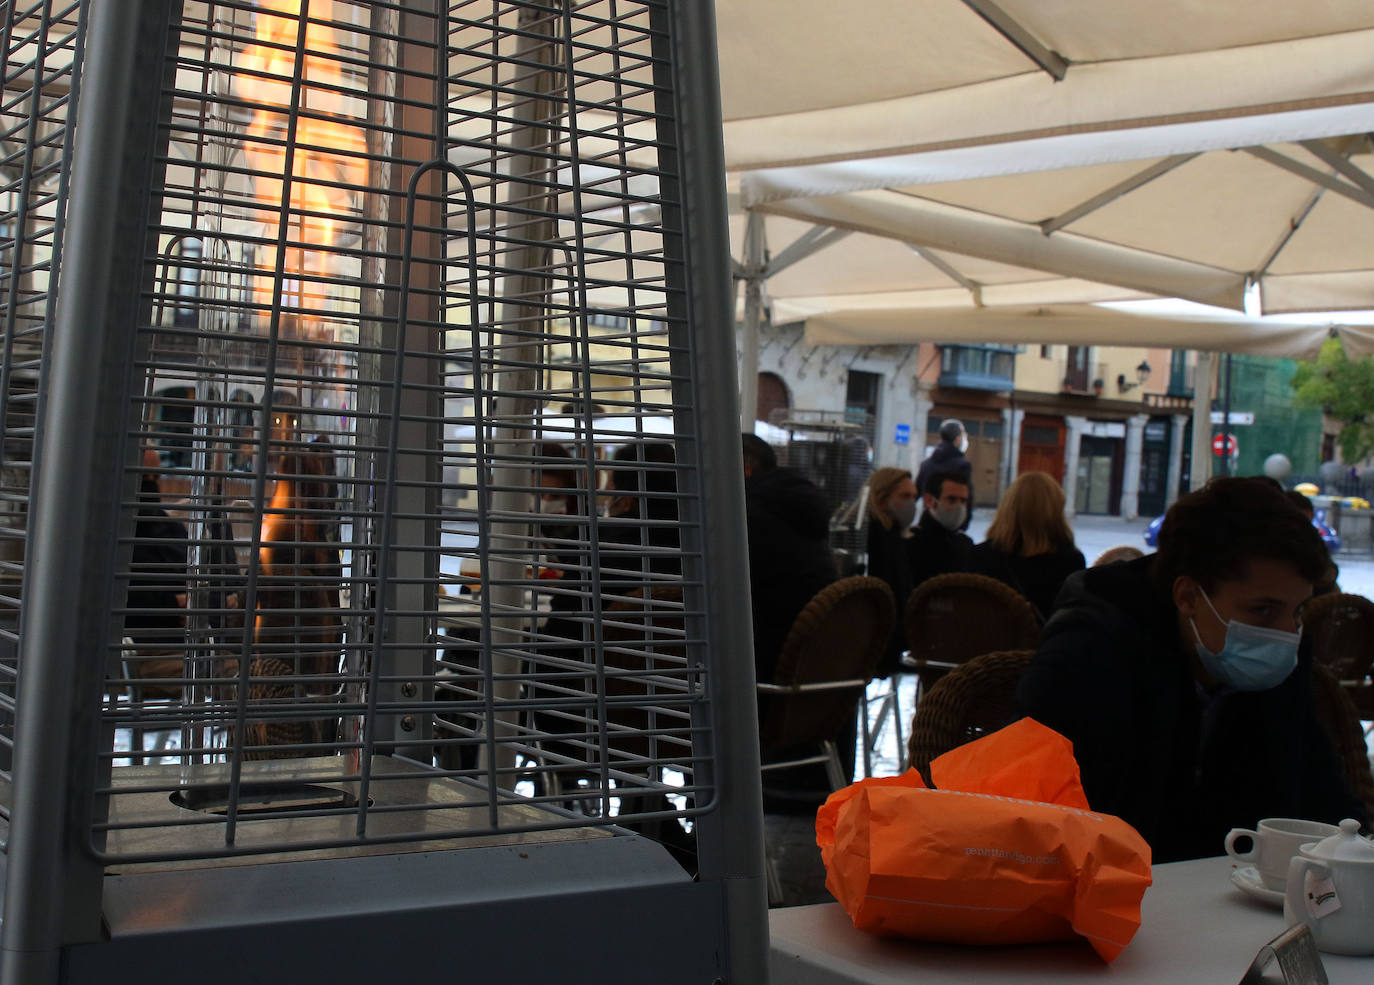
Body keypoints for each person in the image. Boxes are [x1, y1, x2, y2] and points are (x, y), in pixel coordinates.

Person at [1016, 476, 1366, 863]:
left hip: (1243, 900)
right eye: (1262, 610)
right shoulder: (1087, 658)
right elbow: (1048, 830)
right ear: (1188, 597)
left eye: (1298, 611)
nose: (1288, 634)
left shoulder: (1284, 661)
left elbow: (1324, 794)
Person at [741, 434, 837, 685]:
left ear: (744, 470)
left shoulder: (746, 516)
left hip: (769, 674)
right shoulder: (795, 499)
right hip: (822, 662)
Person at [969, 471, 1085, 619]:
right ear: (1056, 513)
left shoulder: (980, 557)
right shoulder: (1071, 563)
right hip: (1046, 641)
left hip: (991, 640)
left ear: (1007, 508)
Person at [864, 466, 916, 675]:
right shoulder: (878, 540)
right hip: (882, 643)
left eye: (914, 497)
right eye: (904, 496)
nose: (911, 503)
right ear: (880, 499)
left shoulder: (895, 537)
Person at [906, 469, 973, 591]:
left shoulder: (965, 544)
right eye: (951, 499)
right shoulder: (910, 544)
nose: (959, 507)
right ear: (930, 501)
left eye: (963, 501)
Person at [915, 419, 973, 522]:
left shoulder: (926, 464)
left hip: (928, 520)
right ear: (958, 439)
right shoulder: (962, 465)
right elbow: (967, 498)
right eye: (964, 435)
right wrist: (963, 525)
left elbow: (916, 493)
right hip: (952, 521)